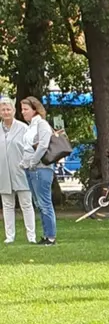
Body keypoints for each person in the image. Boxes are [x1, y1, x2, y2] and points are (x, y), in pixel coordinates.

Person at [19, 96, 57, 245]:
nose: (23, 112)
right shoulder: (30, 126)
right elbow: (27, 148)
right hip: (31, 168)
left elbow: (43, 145)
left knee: (45, 202)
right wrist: (24, 163)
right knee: (39, 203)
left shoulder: (42, 124)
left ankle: (51, 236)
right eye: (22, 109)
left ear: (35, 110)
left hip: (41, 169)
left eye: (26, 109)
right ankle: (47, 234)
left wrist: (33, 162)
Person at [0, 97, 37, 244]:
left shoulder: (23, 128)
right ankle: (10, 236)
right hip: (3, 173)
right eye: (3, 109)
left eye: (8, 109)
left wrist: (26, 164)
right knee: (7, 206)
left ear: (14, 111)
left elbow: (30, 149)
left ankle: (31, 236)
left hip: (21, 172)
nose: (6, 112)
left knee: (26, 205)